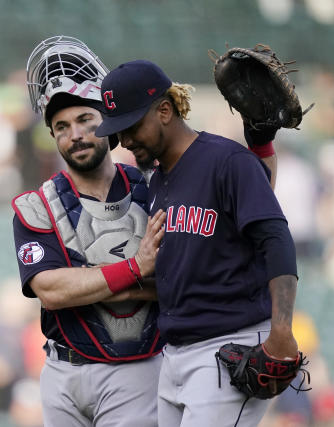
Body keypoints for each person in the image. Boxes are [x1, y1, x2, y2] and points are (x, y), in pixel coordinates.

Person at [95, 60, 300, 427]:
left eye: (130, 127)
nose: (124, 141)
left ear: (164, 110)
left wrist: (282, 330)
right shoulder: (158, 181)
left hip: (226, 344)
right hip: (175, 354)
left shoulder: (226, 160)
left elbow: (276, 239)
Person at [12, 36, 167, 427]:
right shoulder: (36, 205)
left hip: (138, 368)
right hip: (62, 371)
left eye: (85, 120)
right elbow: (51, 290)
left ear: (108, 123)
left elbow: (177, 280)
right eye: (61, 126)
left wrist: (94, 283)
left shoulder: (156, 188)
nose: (75, 134)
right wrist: (137, 269)